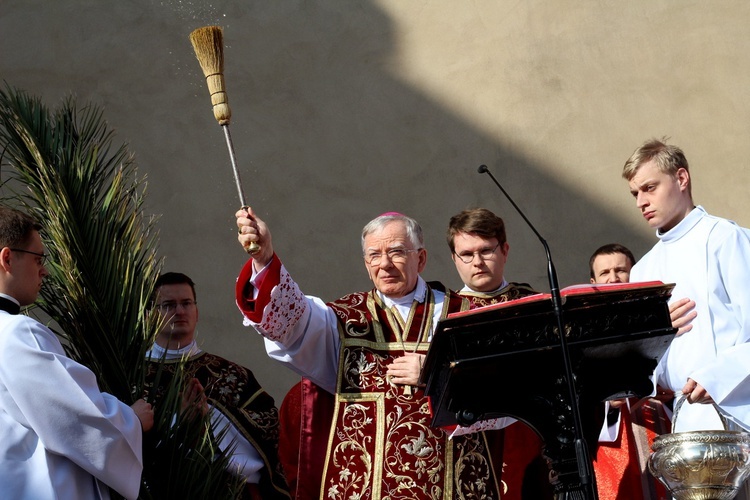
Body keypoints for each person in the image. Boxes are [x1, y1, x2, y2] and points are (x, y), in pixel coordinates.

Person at [235, 209, 503, 499]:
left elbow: (505, 393)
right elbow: (291, 324)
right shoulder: (342, 320)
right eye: (374, 255)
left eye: (397, 252)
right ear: (366, 264)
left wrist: (438, 374)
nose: (385, 264)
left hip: (454, 486)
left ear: (421, 258)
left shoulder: (467, 316)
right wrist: (264, 260)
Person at [0, 206, 153, 500]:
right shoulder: (16, 333)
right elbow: (72, 417)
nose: (44, 270)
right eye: (38, 259)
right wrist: (130, 419)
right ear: (8, 258)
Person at [623, 138, 750, 435]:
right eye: (635, 193)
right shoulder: (643, 270)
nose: (641, 201)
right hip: (681, 417)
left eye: (650, 188)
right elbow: (646, 360)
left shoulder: (724, 239)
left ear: (681, 178)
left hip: (738, 408)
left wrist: (719, 376)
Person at [144, 272, 289, 499]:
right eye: (169, 305)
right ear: (150, 315)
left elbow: (268, 429)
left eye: (186, 303)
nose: (180, 311)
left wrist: (207, 420)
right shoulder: (136, 375)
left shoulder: (232, 374)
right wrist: (176, 423)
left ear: (197, 312)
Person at [447, 208, 553, 499]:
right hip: (471, 447)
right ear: (454, 259)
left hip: (534, 440)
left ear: (504, 250)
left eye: (486, 250)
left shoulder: (535, 304)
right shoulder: (443, 314)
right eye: (466, 254)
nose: (477, 262)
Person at [587, 243, 672, 499]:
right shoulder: (585, 329)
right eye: (605, 273)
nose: (613, 278)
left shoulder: (661, 315)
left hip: (663, 427)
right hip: (614, 442)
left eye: (621, 270)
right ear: (593, 282)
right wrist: (606, 405)